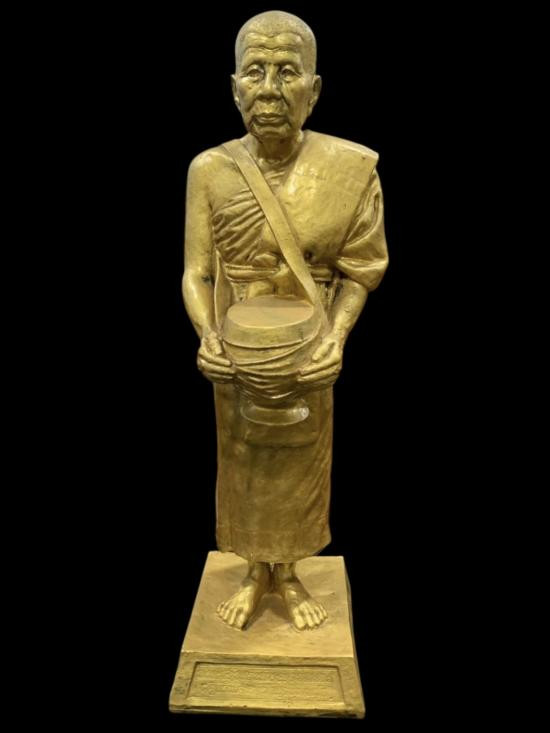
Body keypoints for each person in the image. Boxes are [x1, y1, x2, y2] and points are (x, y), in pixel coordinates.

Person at [182, 10, 388, 631]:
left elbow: (361, 270)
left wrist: (336, 339)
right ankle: (253, 571)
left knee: (302, 462)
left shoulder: (349, 169)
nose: (269, 90)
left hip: (307, 344)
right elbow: (197, 273)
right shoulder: (210, 170)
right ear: (234, 87)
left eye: (286, 72)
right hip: (238, 342)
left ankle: (291, 573)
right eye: (255, 72)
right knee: (242, 459)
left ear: (313, 90)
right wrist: (208, 335)